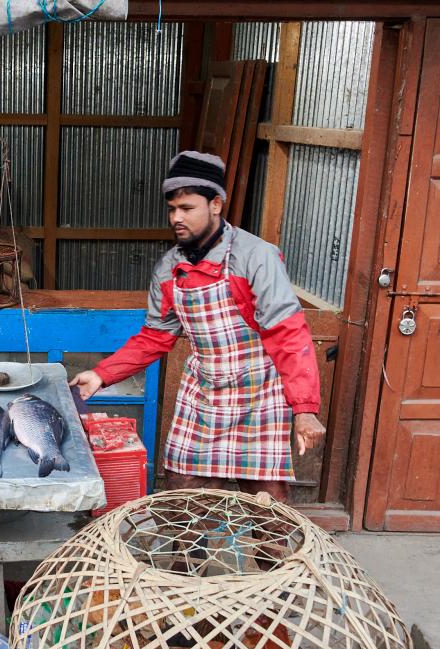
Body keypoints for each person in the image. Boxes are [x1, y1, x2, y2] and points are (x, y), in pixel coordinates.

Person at [69, 151, 326, 502]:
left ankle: (274, 559)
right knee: (183, 498)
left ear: (215, 204)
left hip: (260, 396)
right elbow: (155, 337)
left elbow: (288, 334)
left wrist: (305, 409)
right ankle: (185, 559)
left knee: (267, 508)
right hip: (204, 395)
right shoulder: (169, 269)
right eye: (172, 209)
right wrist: (102, 374)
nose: (176, 218)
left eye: (187, 209)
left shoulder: (256, 256)